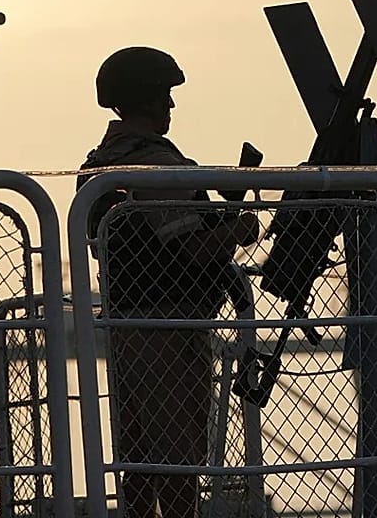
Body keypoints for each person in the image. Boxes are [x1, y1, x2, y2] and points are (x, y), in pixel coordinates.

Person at [76, 46, 260, 518]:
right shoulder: (159, 165)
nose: (171, 105)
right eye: (164, 95)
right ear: (146, 98)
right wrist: (239, 229)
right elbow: (191, 249)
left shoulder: (100, 163)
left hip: (124, 326)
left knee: (137, 459)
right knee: (179, 460)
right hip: (172, 329)